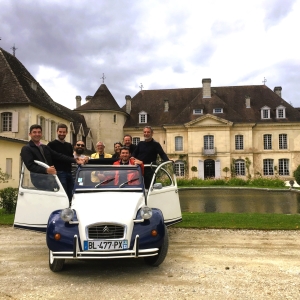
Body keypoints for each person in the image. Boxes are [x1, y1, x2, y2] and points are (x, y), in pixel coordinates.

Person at [21, 124, 84, 191]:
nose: (37, 134)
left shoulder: (44, 147)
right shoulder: (26, 148)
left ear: (41, 134)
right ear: (30, 134)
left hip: (50, 179)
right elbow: (30, 166)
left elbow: (59, 156)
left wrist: (75, 160)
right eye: (34, 132)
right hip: (39, 180)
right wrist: (46, 170)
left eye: (39, 132)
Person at [47, 124, 74, 202]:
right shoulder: (51, 144)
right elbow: (49, 159)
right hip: (59, 173)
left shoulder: (69, 145)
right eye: (60, 132)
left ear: (67, 133)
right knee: (63, 194)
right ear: (57, 132)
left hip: (69, 173)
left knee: (71, 194)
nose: (62, 134)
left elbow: (70, 158)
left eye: (64, 132)